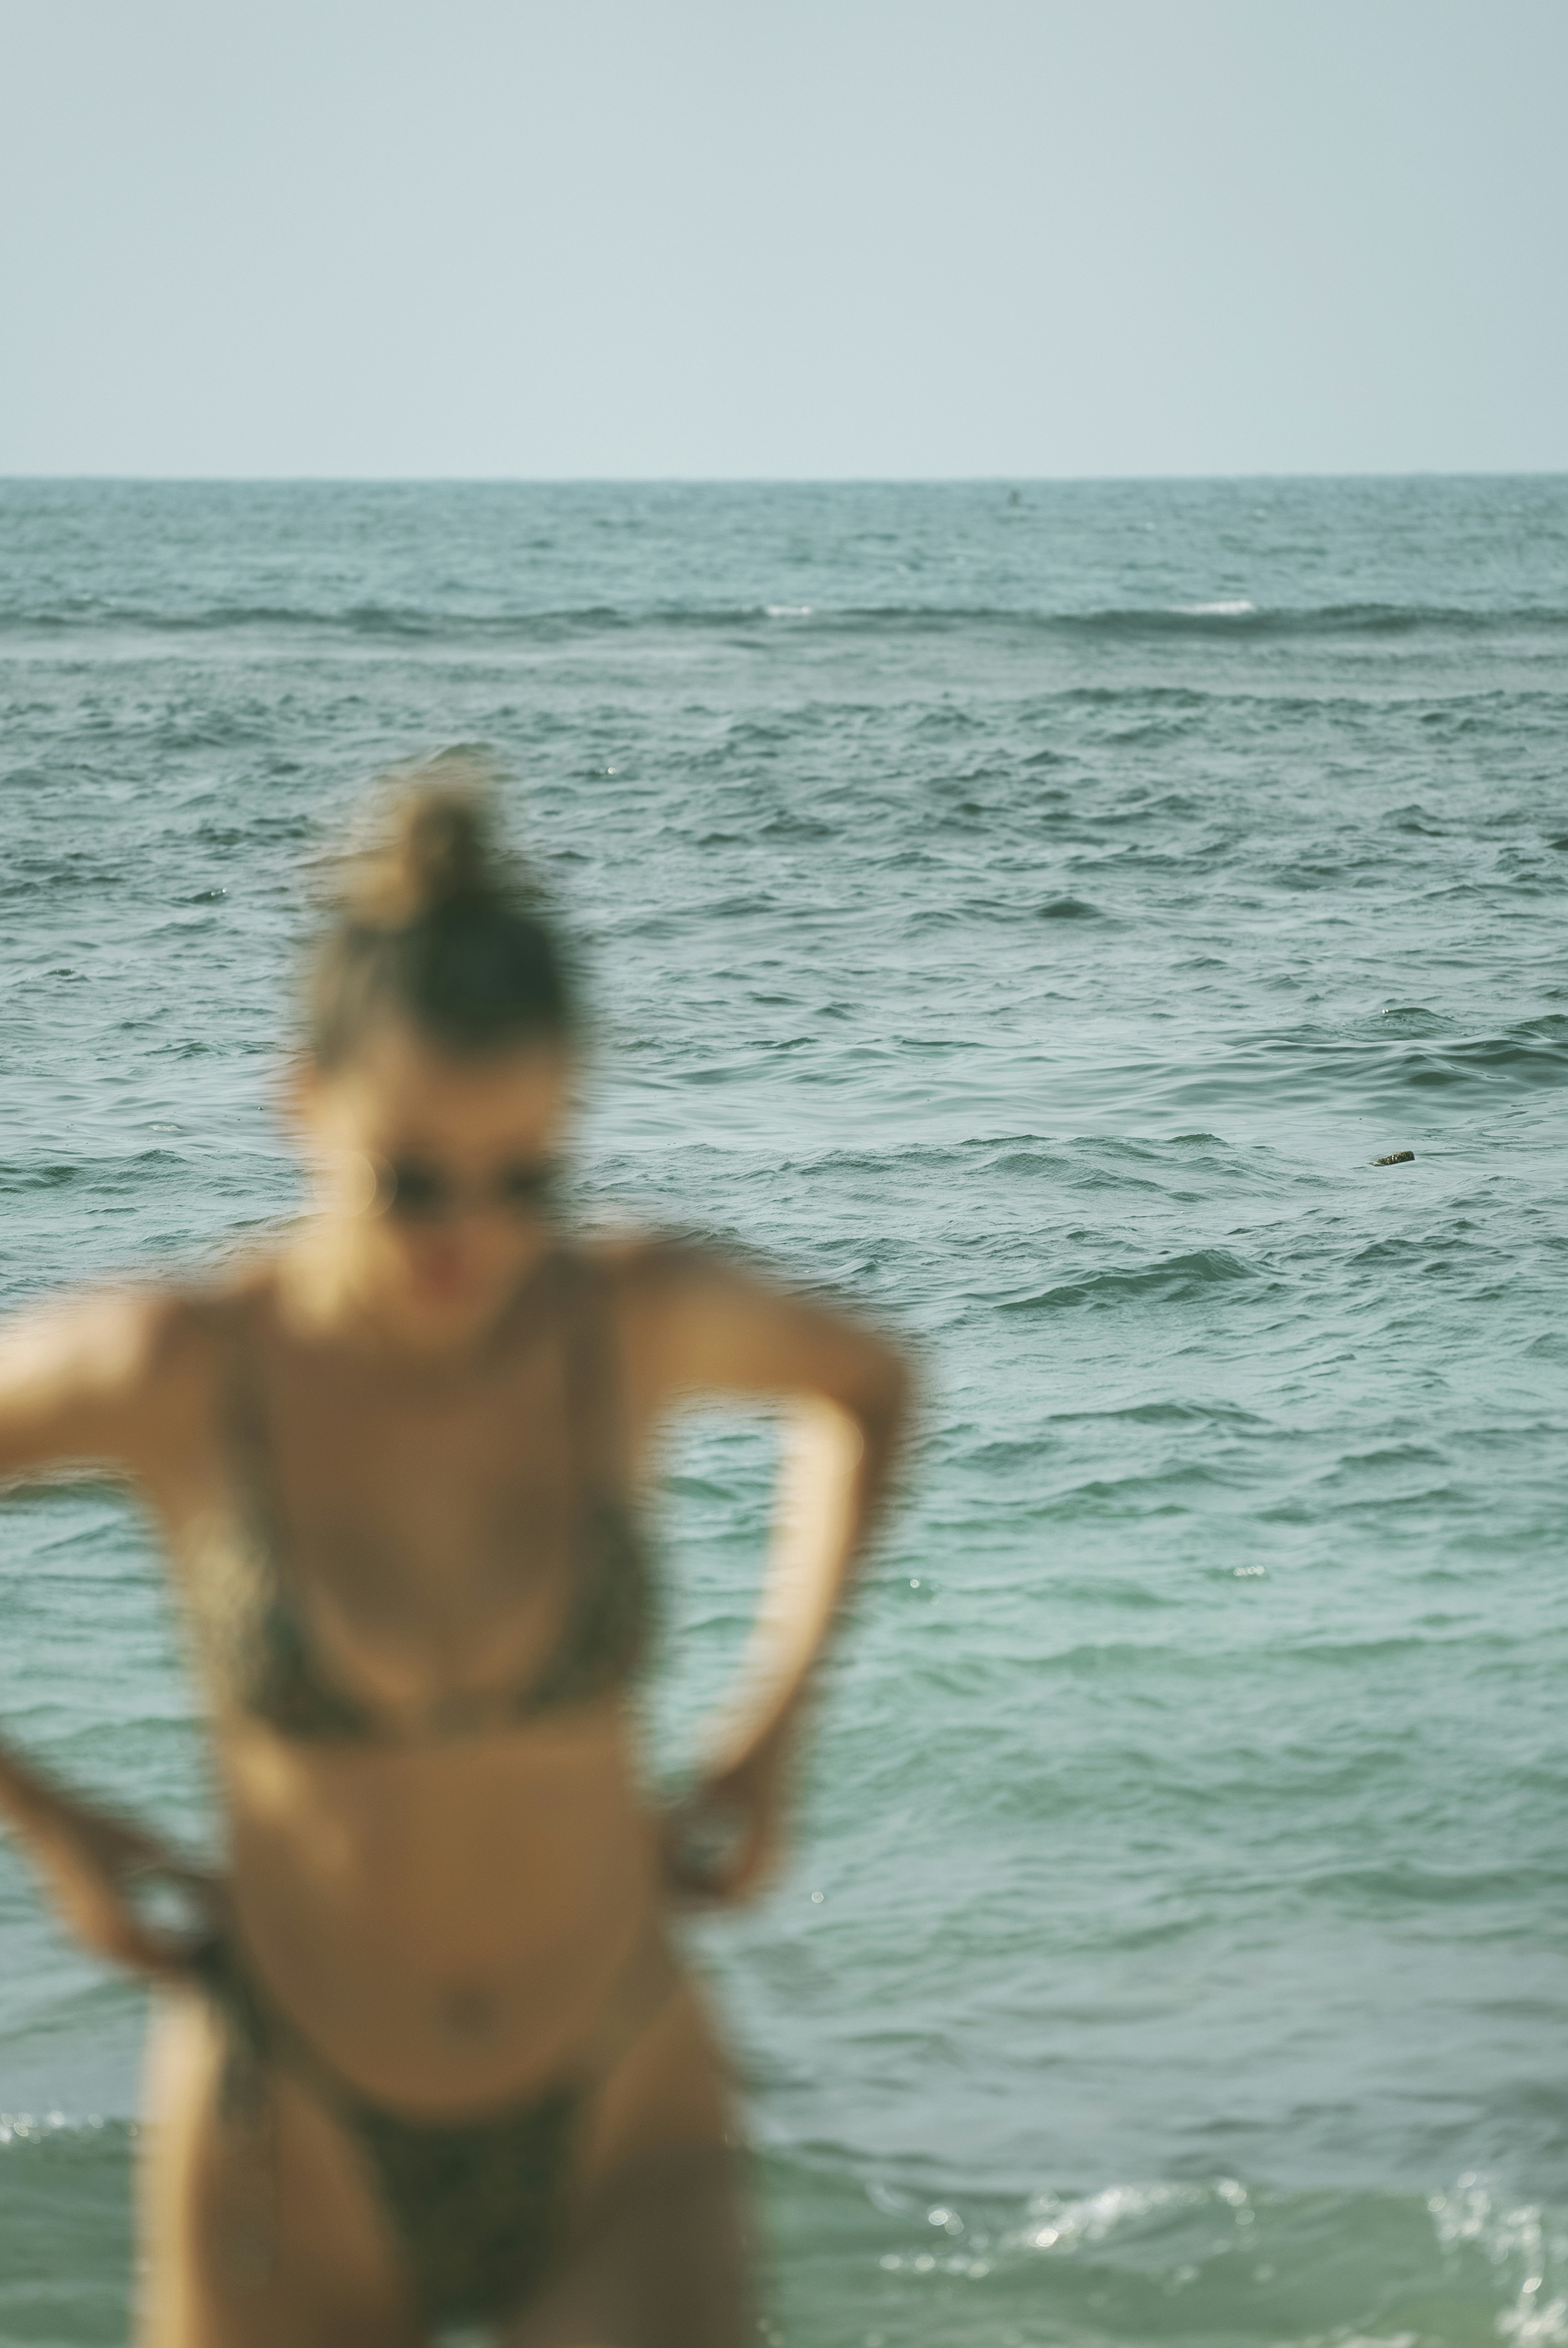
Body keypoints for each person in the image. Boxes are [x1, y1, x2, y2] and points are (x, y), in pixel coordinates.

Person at [0, 768, 913, 2347]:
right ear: (303, 1105)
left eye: (527, 1180)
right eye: (412, 1180)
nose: (470, 1241)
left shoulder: (619, 1322)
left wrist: (771, 1735)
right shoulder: (181, 1368)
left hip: (624, 2098)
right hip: (291, 2134)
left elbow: (868, 1388)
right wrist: (53, 1825)